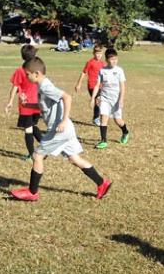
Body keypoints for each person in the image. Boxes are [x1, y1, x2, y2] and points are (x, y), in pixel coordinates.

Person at [9, 57, 113, 201]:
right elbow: (45, 107)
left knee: (37, 156)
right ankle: (102, 183)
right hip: (66, 130)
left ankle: (32, 193)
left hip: (60, 130)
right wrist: (28, 106)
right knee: (74, 158)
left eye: (27, 75)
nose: (26, 77)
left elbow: (67, 97)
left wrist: (63, 121)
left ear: (37, 74)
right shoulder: (41, 86)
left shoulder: (45, 86)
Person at [5, 45, 44, 159]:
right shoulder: (38, 70)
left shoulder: (20, 71)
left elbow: (15, 87)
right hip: (37, 104)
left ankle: (32, 154)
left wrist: (10, 101)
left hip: (26, 105)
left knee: (28, 129)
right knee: (33, 125)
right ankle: (46, 146)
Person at [92, 48, 130, 148]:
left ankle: (125, 132)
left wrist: (121, 99)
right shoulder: (102, 71)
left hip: (116, 99)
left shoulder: (119, 70)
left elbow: (122, 86)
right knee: (103, 117)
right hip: (105, 98)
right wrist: (93, 98)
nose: (114, 61)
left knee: (118, 120)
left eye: (115, 59)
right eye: (111, 59)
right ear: (107, 60)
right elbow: (97, 85)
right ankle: (103, 141)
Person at [74, 44, 105, 125]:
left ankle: (97, 117)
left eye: (100, 54)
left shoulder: (102, 63)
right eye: (97, 53)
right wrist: (78, 84)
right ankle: (96, 118)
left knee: (99, 101)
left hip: (100, 85)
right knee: (97, 100)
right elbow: (84, 73)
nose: (98, 55)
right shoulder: (90, 62)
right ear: (93, 53)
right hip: (92, 85)